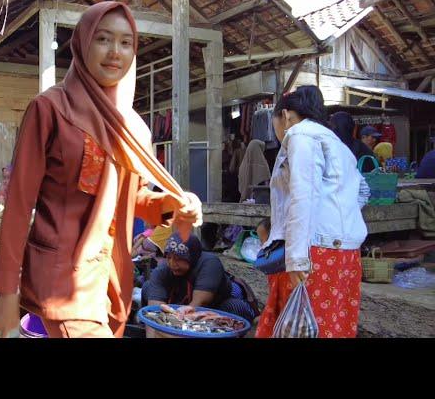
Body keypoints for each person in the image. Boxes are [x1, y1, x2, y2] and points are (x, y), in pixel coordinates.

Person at [0, 2, 203, 339]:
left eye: (126, 42)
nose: (115, 52)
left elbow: (132, 199)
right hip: (62, 277)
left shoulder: (134, 128)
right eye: (103, 39)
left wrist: (171, 205)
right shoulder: (51, 109)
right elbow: (18, 202)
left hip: (112, 276)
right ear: (83, 43)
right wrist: (6, 289)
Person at [255, 86, 368, 338]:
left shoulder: (300, 136)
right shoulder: (337, 143)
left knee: (298, 325)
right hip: (346, 253)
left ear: (285, 115)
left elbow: (302, 196)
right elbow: (363, 190)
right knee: (332, 327)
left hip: (314, 252)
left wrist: (296, 259)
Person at [141, 234, 259, 329]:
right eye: (169, 257)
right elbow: (155, 309)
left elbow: (198, 303)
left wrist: (182, 318)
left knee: (236, 307)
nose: (172, 264)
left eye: (178, 259)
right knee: (147, 287)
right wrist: (164, 322)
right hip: (181, 301)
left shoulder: (209, 263)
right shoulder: (162, 270)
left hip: (216, 303)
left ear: (192, 257)